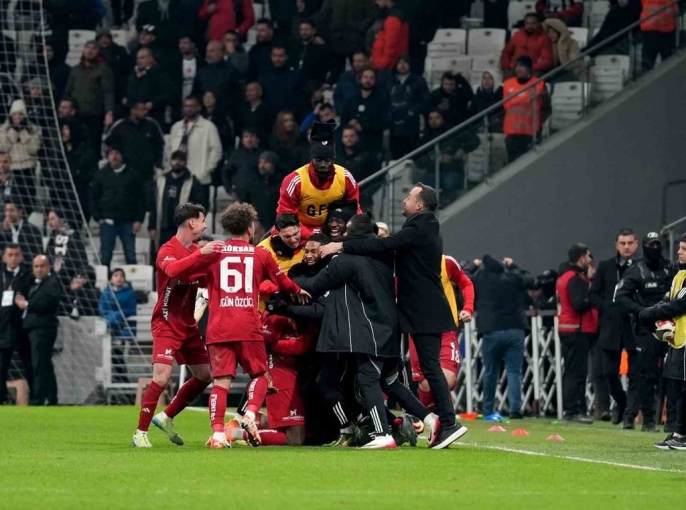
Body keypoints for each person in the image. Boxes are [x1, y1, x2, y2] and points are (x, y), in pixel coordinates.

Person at [320, 183, 469, 448]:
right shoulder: (423, 226)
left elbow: (386, 244)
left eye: (409, 197)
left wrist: (340, 246)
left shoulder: (421, 225)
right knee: (411, 373)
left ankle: (448, 423)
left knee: (430, 368)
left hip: (424, 309)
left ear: (420, 205)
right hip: (421, 309)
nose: (404, 200)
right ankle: (438, 422)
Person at [294, 213, 439, 449]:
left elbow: (314, 285)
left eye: (347, 233)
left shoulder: (345, 260)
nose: (343, 235)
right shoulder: (384, 254)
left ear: (352, 236)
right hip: (391, 325)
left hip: (369, 328)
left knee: (366, 380)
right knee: (390, 382)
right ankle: (431, 418)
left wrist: (284, 278)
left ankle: (382, 433)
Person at [191, 203, 308, 449]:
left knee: (221, 384)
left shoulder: (213, 253)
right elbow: (282, 282)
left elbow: (194, 279)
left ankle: (218, 434)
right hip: (248, 325)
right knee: (259, 375)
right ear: (250, 228)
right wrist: (299, 291)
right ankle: (250, 414)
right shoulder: (261, 254)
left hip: (219, 327)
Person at [132, 203, 223, 448]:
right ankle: (140, 432)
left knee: (204, 376)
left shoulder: (194, 250)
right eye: (203, 221)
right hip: (166, 323)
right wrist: (202, 254)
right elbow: (172, 269)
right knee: (161, 377)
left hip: (188, 325)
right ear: (191, 222)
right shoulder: (167, 250)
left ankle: (166, 416)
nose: (205, 226)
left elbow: (203, 279)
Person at [614, 232, 674, 431]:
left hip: (671, 328)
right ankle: (648, 419)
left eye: (657, 245)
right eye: (651, 246)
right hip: (647, 329)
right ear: (645, 247)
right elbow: (621, 296)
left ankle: (672, 420)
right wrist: (641, 311)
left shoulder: (670, 268)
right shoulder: (637, 270)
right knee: (646, 375)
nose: (654, 249)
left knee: (673, 375)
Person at [638, 234, 686, 449]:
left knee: (683, 389)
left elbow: (679, 305)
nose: (679, 252)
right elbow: (668, 299)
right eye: (680, 247)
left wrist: (650, 313)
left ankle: (681, 434)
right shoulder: (680, 276)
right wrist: (653, 312)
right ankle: (679, 432)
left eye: (684, 248)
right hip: (678, 341)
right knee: (677, 387)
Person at [409, 254, 474, 413]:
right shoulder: (405, 264)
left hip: (445, 329)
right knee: (426, 384)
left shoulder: (446, 262)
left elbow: (466, 283)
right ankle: (433, 420)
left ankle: (444, 418)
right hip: (418, 331)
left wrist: (468, 308)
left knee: (447, 380)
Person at [589, 228, 638, 424]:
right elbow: (593, 295)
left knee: (636, 374)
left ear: (636, 244)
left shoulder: (641, 266)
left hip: (634, 326)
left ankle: (629, 414)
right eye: (623, 243)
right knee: (608, 372)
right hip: (610, 326)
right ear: (616, 245)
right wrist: (607, 306)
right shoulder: (606, 266)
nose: (626, 247)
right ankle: (622, 401)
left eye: (630, 243)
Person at [471, 255, 529, 418]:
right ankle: (515, 409)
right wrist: (514, 266)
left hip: (492, 331)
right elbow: (529, 279)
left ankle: (488, 409)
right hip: (515, 329)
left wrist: (473, 266)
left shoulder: (481, 279)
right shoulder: (513, 278)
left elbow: (464, 278)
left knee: (490, 372)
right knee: (514, 371)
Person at [276, 121, 360, 231]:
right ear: (312, 159)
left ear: (333, 160)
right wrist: (312, 235)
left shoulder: (345, 177)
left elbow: (355, 210)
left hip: (334, 232)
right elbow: (285, 218)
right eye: (319, 160)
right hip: (300, 233)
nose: (323, 164)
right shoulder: (295, 180)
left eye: (327, 160)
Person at [556, 243, 598, 423]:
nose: (590, 259)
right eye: (588, 256)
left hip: (569, 328)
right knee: (576, 372)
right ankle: (573, 411)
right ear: (581, 258)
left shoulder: (565, 276)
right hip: (577, 329)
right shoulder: (575, 278)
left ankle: (575, 410)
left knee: (572, 371)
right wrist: (594, 297)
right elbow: (579, 304)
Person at [14, 255, 61, 405]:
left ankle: (39, 399)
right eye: (36, 266)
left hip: (43, 328)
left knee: (39, 364)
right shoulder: (36, 283)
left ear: (49, 267)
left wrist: (26, 304)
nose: (39, 269)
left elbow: (48, 303)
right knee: (43, 363)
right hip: (33, 328)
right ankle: (50, 397)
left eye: (42, 266)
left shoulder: (53, 283)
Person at [89, 144, 146, 268]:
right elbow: (93, 197)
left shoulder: (133, 175)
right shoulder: (100, 175)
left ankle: (131, 280)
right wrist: (98, 217)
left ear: (122, 155)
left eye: (117, 153)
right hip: (107, 222)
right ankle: (105, 280)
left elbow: (140, 199)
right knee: (105, 257)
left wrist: (139, 219)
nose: (114, 156)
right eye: (111, 154)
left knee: (130, 256)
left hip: (128, 222)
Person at [166, 95, 222, 207]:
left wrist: (205, 171)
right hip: (178, 178)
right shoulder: (176, 127)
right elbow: (169, 150)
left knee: (198, 214)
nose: (189, 109)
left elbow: (216, 152)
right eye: (186, 106)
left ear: (199, 107)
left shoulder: (208, 127)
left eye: (192, 106)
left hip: (199, 178)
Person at [63, 41, 115, 154]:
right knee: (75, 145)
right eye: (87, 47)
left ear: (98, 51)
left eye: (94, 48)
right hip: (76, 114)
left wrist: (109, 112)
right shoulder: (75, 70)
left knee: (93, 147)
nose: (90, 51)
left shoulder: (103, 69)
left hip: (95, 115)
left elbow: (108, 92)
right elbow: (68, 91)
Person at [150, 151, 206, 247]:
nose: (177, 162)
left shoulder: (193, 182)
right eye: (174, 159)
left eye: (180, 160)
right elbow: (153, 205)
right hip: (163, 227)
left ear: (185, 162)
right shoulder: (161, 180)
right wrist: (152, 226)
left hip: (183, 228)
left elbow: (199, 208)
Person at [502, 56, 551, 163]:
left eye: (522, 66)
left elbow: (546, 108)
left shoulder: (538, 84)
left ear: (529, 68)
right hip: (512, 133)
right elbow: (505, 107)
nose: (518, 68)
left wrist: (538, 123)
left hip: (531, 133)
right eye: (517, 66)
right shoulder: (508, 84)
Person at [0, 244, 31, 404]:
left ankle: (38, 400)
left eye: (17, 254)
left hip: (24, 328)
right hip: (3, 328)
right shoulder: (1, 275)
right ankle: (2, 400)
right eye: (10, 255)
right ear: (3, 257)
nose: (13, 258)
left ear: (22, 256)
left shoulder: (28, 275)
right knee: (1, 367)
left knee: (30, 365)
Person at [106, 101, 165, 182]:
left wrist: (159, 166)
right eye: (142, 109)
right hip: (125, 174)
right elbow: (109, 146)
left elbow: (160, 145)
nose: (146, 112)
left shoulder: (152, 125)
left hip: (147, 174)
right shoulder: (119, 126)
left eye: (146, 109)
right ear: (133, 110)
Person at [0, 100, 42, 213]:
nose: (17, 117)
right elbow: (3, 146)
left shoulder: (33, 128)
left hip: (29, 168)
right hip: (11, 168)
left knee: (28, 198)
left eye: (20, 114)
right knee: (13, 198)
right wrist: (14, 131)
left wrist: (23, 132)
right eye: (14, 114)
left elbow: (34, 148)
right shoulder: (4, 128)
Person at [388, 55, 430, 160]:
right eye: (400, 62)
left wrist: (413, 111)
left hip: (411, 125)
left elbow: (425, 101)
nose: (402, 65)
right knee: (395, 157)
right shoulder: (390, 81)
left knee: (412, 156)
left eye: (405, 62)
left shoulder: (419, 81)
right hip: (394, 127)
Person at [340, 67, 390, 155]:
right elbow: (343, 118)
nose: (368, 80)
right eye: (365, 77)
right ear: (360, 79)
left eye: (371, 78)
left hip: (371, 145)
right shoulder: (352, 99)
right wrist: (350, 124)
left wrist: (363, 126)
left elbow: (384, 122)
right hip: (351, 147)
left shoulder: (381, 100)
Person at [126, 48, 175, 131]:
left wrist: (153, 103)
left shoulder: (160, 74)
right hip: (135, 118)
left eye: (142, 58)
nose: (138, 61)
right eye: (137, 58)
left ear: (151, 59)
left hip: (154, 116)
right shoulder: (133, 74)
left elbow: (170, 94)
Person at [192, 41, 242, 120]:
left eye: (212, 51)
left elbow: (237, 96)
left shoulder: (231, 71)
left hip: (226, 116)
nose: (208, 54)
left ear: (221, 53)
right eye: (207, 51)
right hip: (204, 116)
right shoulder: (202, 72)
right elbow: (195, 93)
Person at [60, 119, 97, 221]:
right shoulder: (62, 149)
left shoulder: (86, 152)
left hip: (80, 194)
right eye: (63, 128)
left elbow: (91, 174)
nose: (63, 132)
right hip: (64, 194)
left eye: (66, 129)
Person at [236, 152, 282, 234]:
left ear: (273, 164)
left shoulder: (281, 182)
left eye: (266, 162)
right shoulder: (253, 181)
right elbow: (244, 201)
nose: (262, 166)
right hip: (257, 222)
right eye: (260, 162)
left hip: (276, 222)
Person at [337, 127, 380, 210]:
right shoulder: (336, 157)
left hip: (362, 201)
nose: (348, 139)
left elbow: (377, 177)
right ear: (342, 139)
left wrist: (367, 193)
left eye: (351, 136)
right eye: (346, 136)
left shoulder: (368, 156)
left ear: (357, 137)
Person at [258, 46, 306, 117]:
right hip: (268, 117)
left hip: (289, 116)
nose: (277, 59)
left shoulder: (295, 76)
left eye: (280, 56)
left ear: (286, 57)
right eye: (274, 56)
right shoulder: (264, 76)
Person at [221, 128, 262, 198]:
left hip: (259, 194)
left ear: (257, 139)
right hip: (240, 194)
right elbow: (225, 172)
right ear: (242, 140)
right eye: (246, 136)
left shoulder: (263, 155)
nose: (249, 139)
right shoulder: (235, 155)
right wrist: (229, 190)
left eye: (252, 136)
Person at [369, 0, 409, 72]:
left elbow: (390, 45)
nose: (376, 2)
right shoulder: (390, 15)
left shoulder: (393, 18)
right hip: (385, 62)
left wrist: (383, 64)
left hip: (386, 65)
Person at [98, 268, 137, 338]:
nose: (119, 278)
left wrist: (119, 314)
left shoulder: (130, 293)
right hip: (109, 322)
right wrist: (113, 315)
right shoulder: (105, 293)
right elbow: (103, 310)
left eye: (122, 276)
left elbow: (132, 310)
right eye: (116, 276)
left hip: (125, 325)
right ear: (110, 279)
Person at [639, 0, 677, 72]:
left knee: (648, 63)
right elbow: (674, 9)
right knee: (668, 62)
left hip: (649, 27)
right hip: (665, 28)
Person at [293, 20, 330, 86]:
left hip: (313, 83)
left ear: (314, 31)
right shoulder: (295, 46)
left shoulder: (321, 48)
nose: (303, 32)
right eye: (301, 30)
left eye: (306, 29)